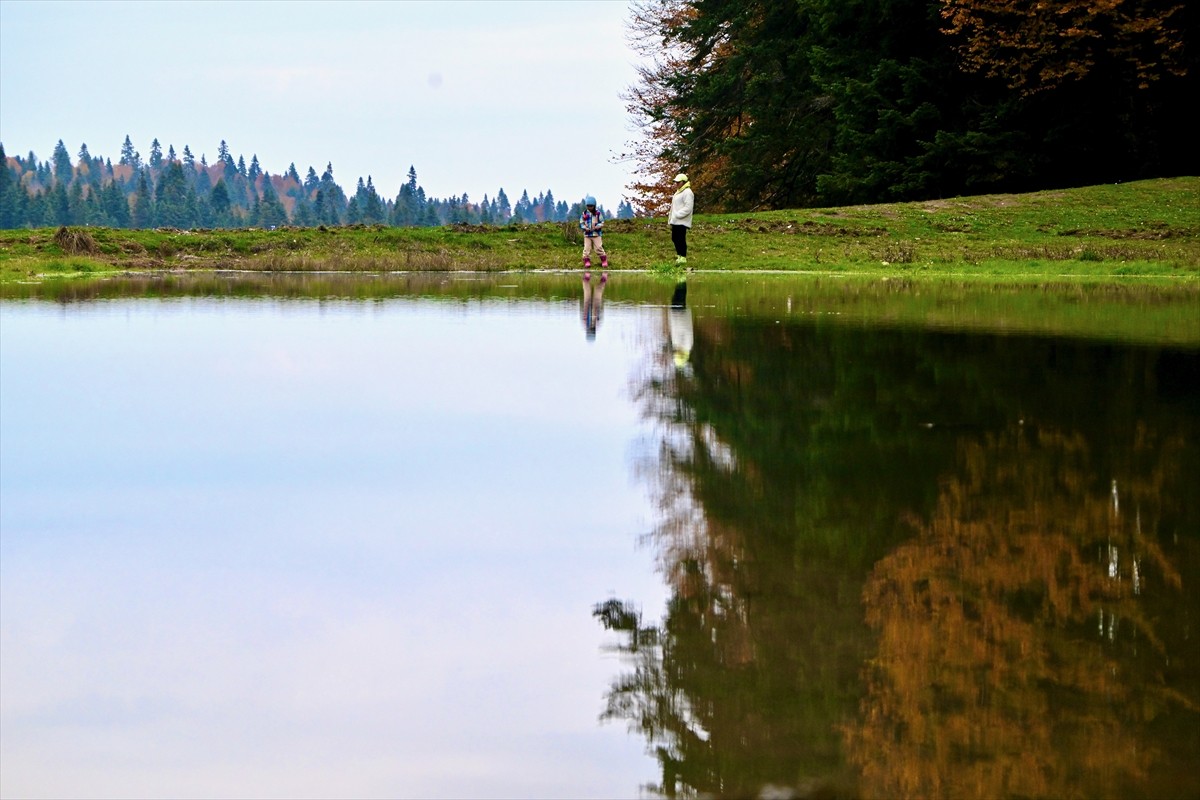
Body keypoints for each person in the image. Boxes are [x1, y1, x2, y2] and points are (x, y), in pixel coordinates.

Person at [579, 195, 608, 278]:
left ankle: (603, 260)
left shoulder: (598, 213)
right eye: (588, 206)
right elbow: (581, 223)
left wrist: (597, 226)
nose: (589, 208)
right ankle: (587, 261)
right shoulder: (584, 213)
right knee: (586, 248)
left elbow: (602, 222)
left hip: (596, 234)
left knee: (598, 247)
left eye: (591, 206)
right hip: (587, 235)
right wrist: (585, 228)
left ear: (594, 205)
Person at [669, 173, 694, 266]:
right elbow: (673, 207)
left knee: (680, 239)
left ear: (683, 182)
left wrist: (677, 215)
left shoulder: (688, 192)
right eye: (675, 182)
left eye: (678, 182)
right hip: (675, 220)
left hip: (682, 221)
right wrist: (671, 219)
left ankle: (683, 257)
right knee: (674, 238)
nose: (676, 184)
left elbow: (688, 208)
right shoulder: (678, 192)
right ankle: (679, 255)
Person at [581, 268, 607, 340]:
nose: (591, 327)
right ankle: (602, 278)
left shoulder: (594, 324)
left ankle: (587, 278)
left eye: (590, 330)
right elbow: (600, 314)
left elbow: (600, 314)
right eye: (591, 330)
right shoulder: (594, 324)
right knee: (592, 295)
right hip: (593, 308)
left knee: (591, 295)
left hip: (592, 308)